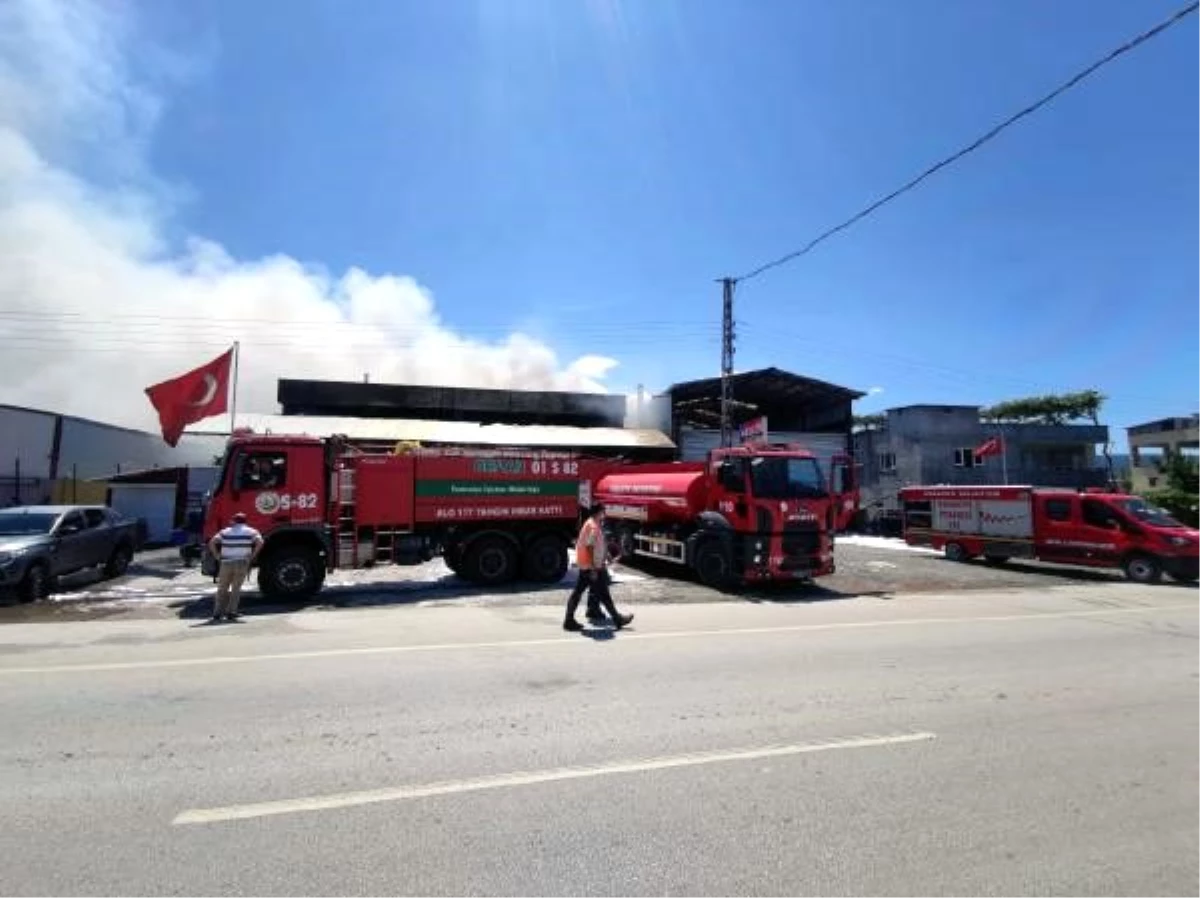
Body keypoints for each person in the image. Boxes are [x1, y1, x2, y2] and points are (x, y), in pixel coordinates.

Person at [564, 504, 633, 632]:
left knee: (580, 592)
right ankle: (617, 619)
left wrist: (607, 557)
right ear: (599, 512)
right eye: (603, 511)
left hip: (589, 566)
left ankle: (569, 620)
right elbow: (590, 547)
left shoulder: (592, 523)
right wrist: (593, 568)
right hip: (592, 567)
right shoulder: (593, 526)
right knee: (603, 594)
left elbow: (598, 545)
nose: (605, 513)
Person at [207, 512, 263, 622]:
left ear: (234, 521)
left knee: (222, 588)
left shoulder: (225, 532)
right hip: (242, 562)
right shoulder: (251, 531)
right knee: (236, 588)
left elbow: (212, 542)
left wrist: (217, 555)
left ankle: (217, 613)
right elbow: (260, 541)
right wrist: (252, 555)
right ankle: (231, 612)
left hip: (226, 562)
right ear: (245, 521)